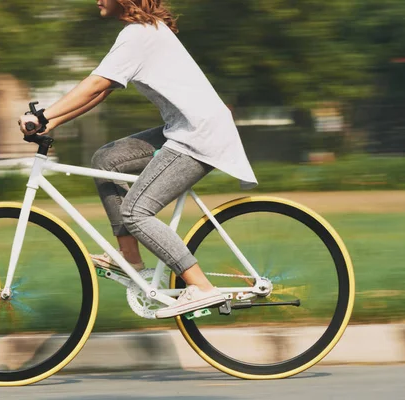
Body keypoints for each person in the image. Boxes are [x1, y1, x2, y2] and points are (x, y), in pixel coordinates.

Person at [19, 0, 257, 319]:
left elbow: (96, 84)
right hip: (184, 128)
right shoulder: (141, 33)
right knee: (107, 159)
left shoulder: (139, 34)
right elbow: (103, 91)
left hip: (199, 135)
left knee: (135, 210)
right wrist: (52, 122)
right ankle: (130, 258)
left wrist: (43, 114)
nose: (97, 1)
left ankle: (201, 287)